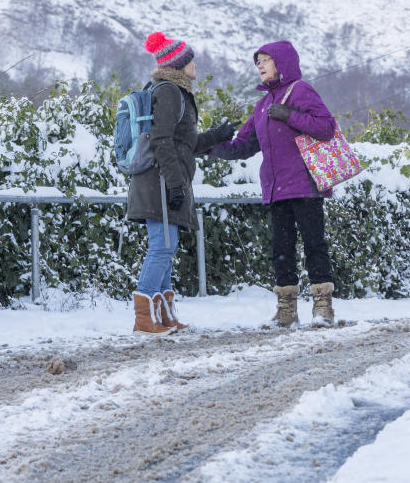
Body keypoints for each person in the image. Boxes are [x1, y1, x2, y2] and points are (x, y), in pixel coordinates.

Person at [211, 40, 337, 327]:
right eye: (258, 62)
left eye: (266, 60)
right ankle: (286, 310)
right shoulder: (263, 105)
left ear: (282, 62)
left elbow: (326, 127)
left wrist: (290, 116)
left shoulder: (300, 91)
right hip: (275, 189)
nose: (261, 66)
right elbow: (243, 146)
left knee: (314, 244)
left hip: (305, 185)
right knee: (281, 249)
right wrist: (206, 146)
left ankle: (322, 307)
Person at [126, 31, 237, 336]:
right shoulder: (169, 92)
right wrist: (174, 184)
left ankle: (164, 316)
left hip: (165, 180)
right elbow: (161, 140)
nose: (196, 67)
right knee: (161, 248)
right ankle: (143, 319)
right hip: (158, 182)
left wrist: (218, 135)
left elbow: (183, 144)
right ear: (178, 64)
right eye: (192, 62)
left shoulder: (176, 93)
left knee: (166, 247)